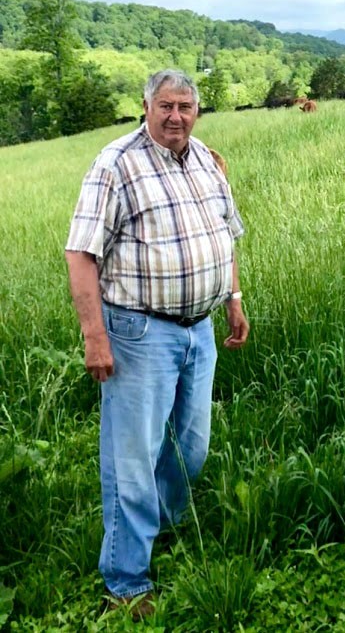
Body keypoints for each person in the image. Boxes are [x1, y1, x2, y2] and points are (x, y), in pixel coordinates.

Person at [65, 69, 249, 617]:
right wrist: (94, 336)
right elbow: (81, 254)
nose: (176, 116)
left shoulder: (207, 163)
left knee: (190, 448)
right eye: (165, 106)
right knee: (133, 457)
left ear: (197, 111)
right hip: (139, 332)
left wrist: (233, 298)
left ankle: (158, 529)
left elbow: (226, 235)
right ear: (145, 106)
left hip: (200, 328)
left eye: (185, 107)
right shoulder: (116, 164)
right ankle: (126, 581)